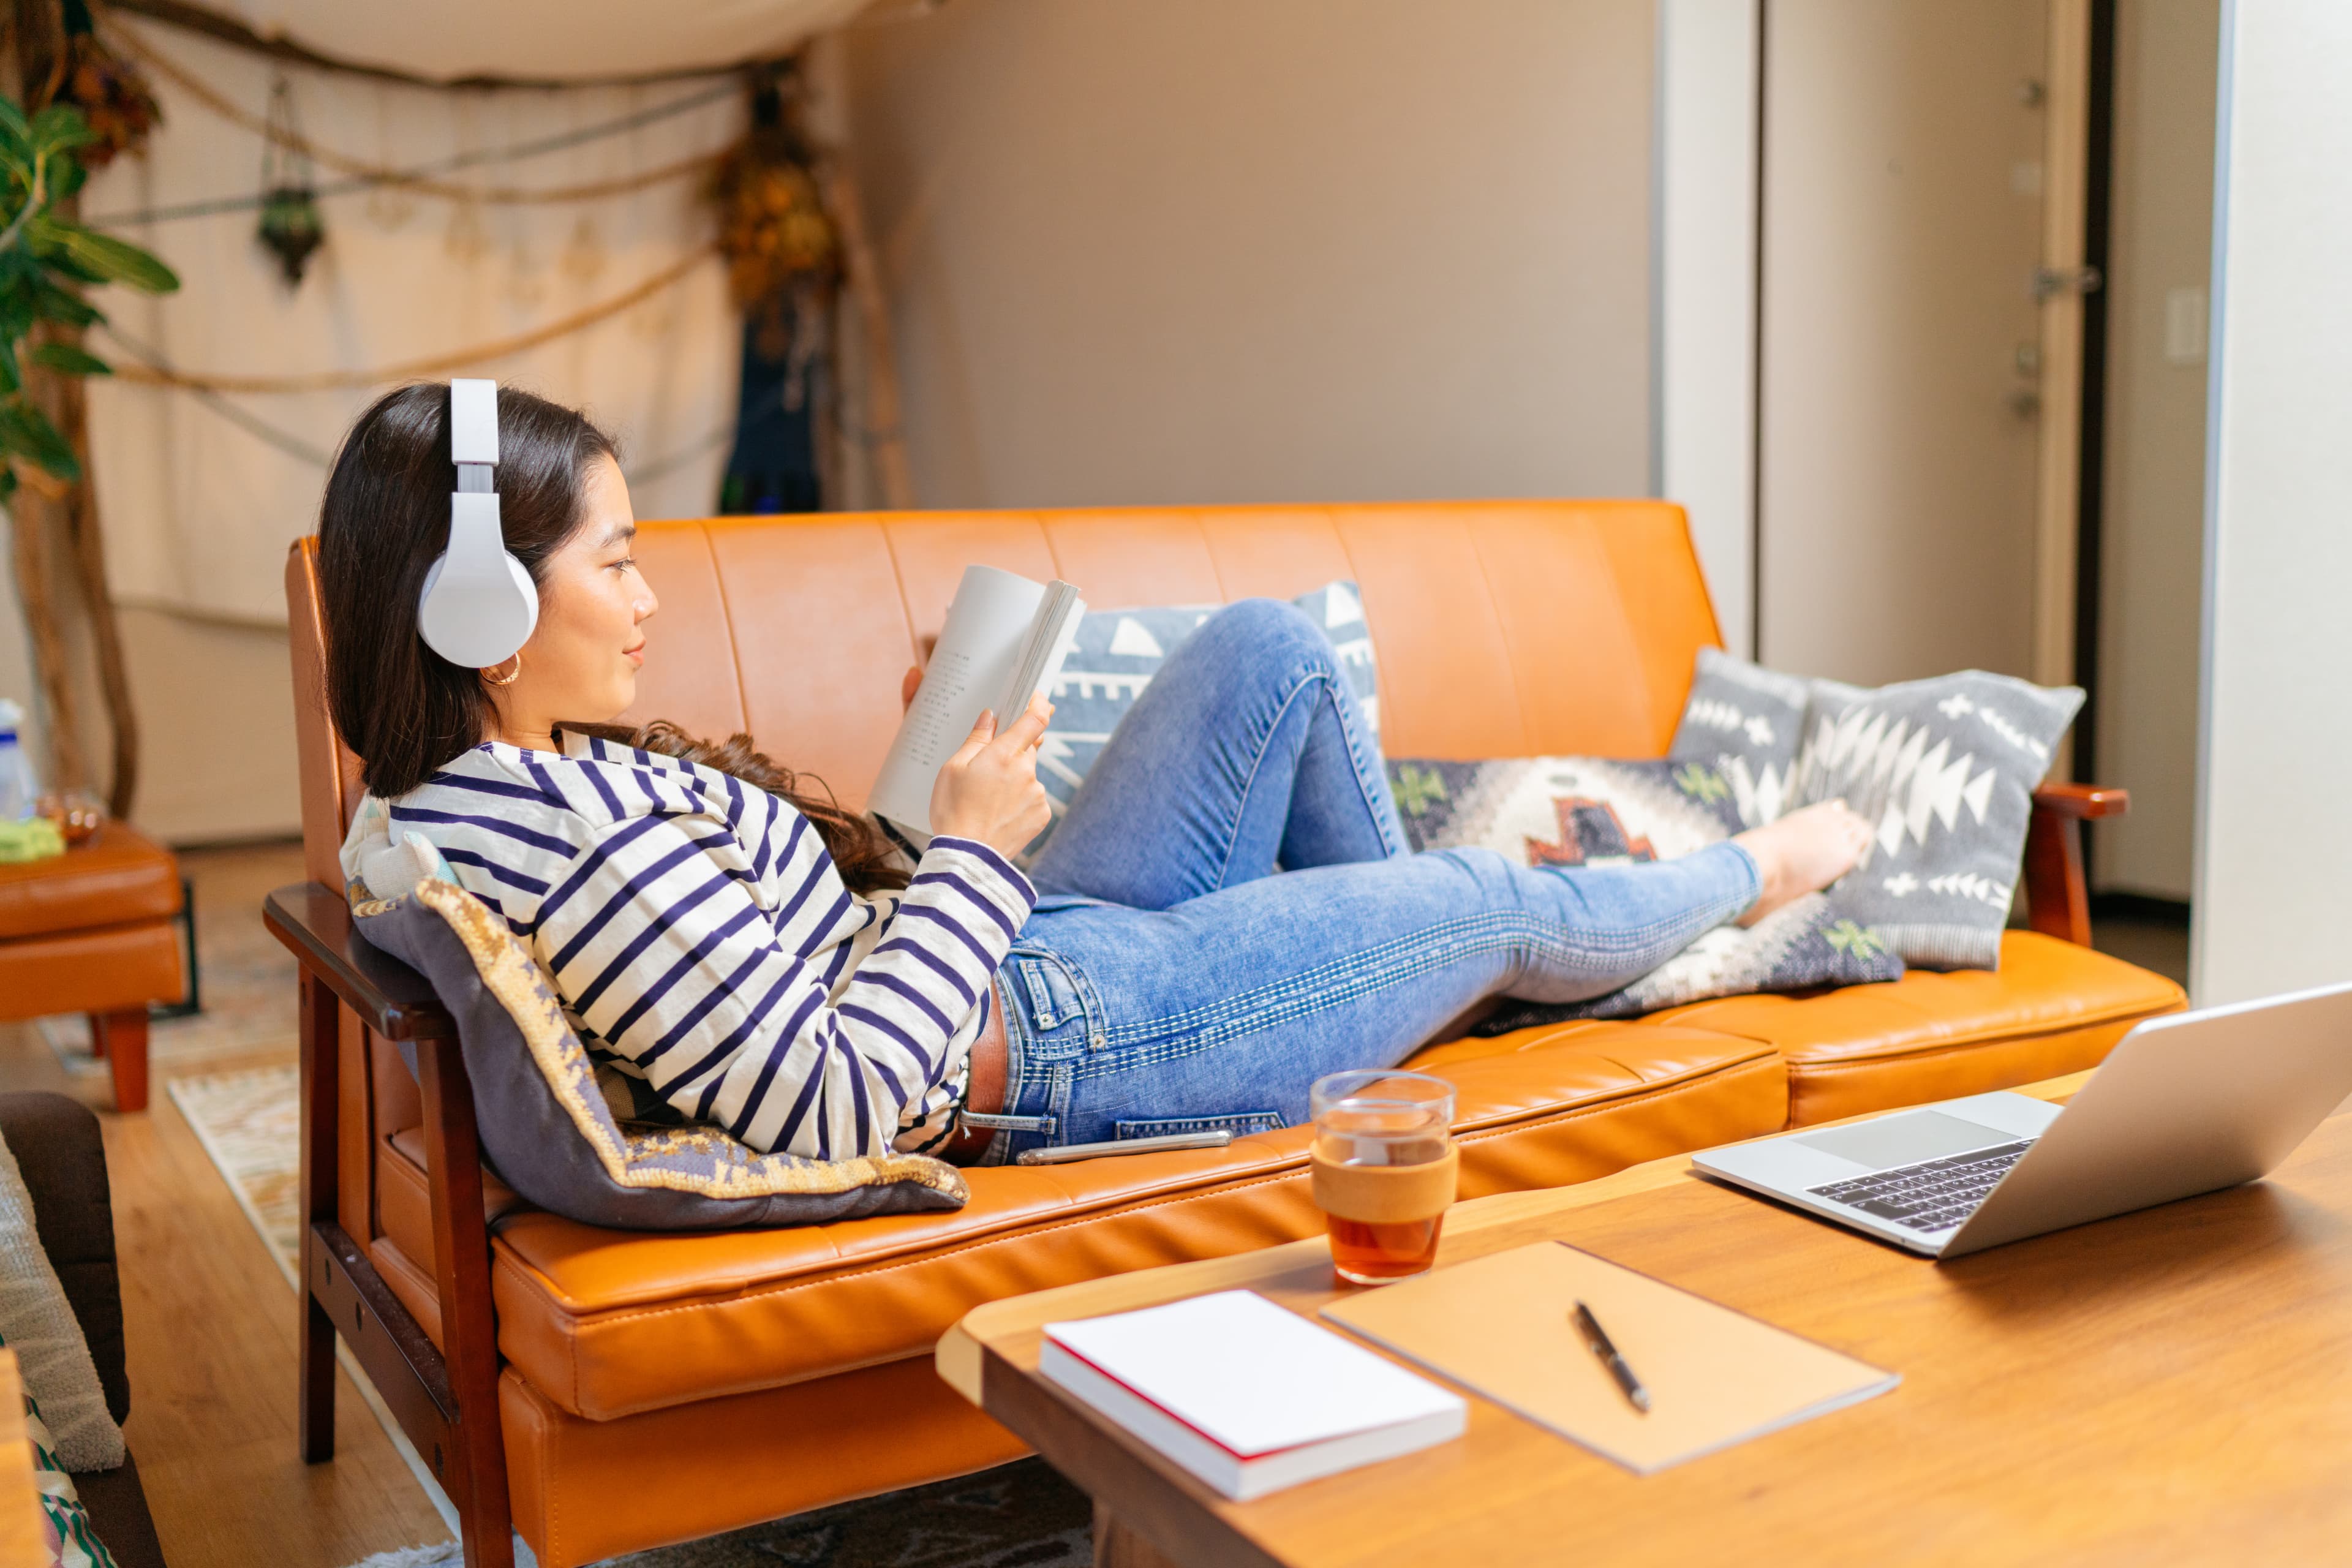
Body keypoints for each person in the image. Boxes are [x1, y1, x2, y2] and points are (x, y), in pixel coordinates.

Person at [321, 385, 1871, 1166]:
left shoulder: (488, 783)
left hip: (1002, 950)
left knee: (1266, 649)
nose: (651, 599)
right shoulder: (566, 843)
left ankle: (1400, 961)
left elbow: (775, 946)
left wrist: (934, 794)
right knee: (1477, 890)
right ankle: (1740, 878)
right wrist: (979, 860)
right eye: (620, 562)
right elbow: (838, 1097)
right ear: (486, 612)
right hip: (1050, 1036)